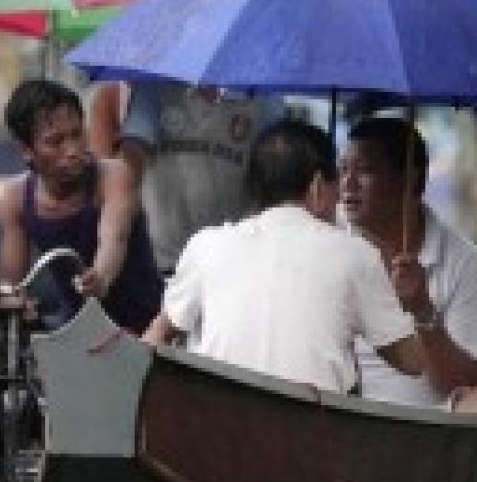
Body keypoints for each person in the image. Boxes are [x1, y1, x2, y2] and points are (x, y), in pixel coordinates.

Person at [143, 119, 427, 394]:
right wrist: (420, 306)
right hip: (312, 431)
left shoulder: (206, 246)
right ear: (317, 186)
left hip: (219, 426)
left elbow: (156, 339)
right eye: (336, 182)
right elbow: (413, 363)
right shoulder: (356, 255)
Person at [340, 117, 477, 412]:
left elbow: (461, 381)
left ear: (409, 180)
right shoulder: (327, 239)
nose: (348, 183)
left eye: (365, 170)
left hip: (432, 426)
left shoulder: (464, 260)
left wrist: (423, 311)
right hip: (337, 411)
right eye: (342, 170)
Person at [0, 79, 164, 334]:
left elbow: (114, 239)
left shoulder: (114, 176)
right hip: (78, 328)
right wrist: (14, 302)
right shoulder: (16, 198)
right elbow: (10, 283)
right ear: (26, 151)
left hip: (146, 325)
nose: (73, 150)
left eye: (77, 135)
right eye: (56, 141)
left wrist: (100, 277)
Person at [118, 82, 284, 272]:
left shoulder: (264, 94)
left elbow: (277, 168)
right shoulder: (152, 86)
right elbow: (132, 157)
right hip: (164, 256)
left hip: (236, 258)